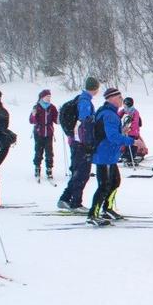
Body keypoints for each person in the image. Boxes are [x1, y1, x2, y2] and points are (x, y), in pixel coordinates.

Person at [86, 88, 136, 226]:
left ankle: (107, 208)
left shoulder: (109, 113)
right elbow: (112, 137)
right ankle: (92, 215)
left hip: (109, 155)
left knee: (115, 182)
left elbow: (110, 132)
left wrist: (122, 131)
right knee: (104, 185)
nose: (122, 100)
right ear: (111, 99)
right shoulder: (109, 114)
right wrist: (133, 141)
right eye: (119, 97)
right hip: (104, 155)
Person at [59, 76, 100, 210]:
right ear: (95, 88)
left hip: (76, 141)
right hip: (80, 143)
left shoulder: (80, 99)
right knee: (82, 172)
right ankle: (75, 202)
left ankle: (65, 199)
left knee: (79, 171)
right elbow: (84, 123)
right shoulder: (85, 102)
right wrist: (88, 142)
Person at [29, 89, 58, 183]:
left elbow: (56, 120)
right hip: (39, 133)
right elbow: (31, 121)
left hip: (49, 133)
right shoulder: (37, 107)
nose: (49, 98)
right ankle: (37, 167)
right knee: (38, 151)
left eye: (50, 97)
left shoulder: (52, 107)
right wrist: (33, 115)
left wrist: (60, 117)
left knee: (49, 152)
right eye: (47, 97)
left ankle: (49, 169)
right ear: (42, 97)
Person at [117, 97, 148, 164]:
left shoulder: (134, 112)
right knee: (125, 143)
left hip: (133, 132)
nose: (125, 107)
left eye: (126, 105)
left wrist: (130, 128)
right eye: (124, 105)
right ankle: (125, 155)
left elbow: (135, 122)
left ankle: (131, 157)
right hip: (126, 131)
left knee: (133, 144)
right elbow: (118, 115)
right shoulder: (124, 110)